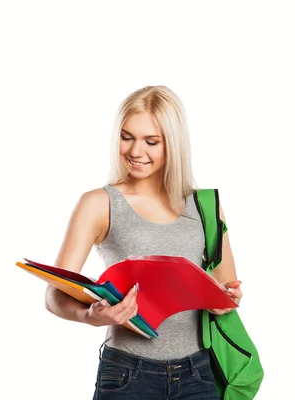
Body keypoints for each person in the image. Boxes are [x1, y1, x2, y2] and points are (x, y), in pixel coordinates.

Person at [44, 85, 242, 399]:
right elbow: (54, 294)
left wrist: (225, 300)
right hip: (126, 375)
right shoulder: (99, 203)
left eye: (151, 141)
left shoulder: (205, 204)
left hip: (199, 374)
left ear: (174, 144)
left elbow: (226, 290)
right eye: (127, 137)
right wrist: (90, 316)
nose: (136, 152)